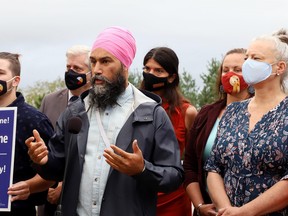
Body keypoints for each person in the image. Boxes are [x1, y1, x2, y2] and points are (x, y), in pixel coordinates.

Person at [25, 26, 184, 216]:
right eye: (93, 61)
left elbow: (174, 176)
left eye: (105, 61)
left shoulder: (152, 114)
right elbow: (56, 170)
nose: (97, 69)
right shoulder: (75, 111)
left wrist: (142, 169)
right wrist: (42, 160)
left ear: (125, 65)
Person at [204, 29, 288, 215]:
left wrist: (245, 212)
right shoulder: (233, 111)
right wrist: (227, 210)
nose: (248, 63)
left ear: (279, 67)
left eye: (256, 59)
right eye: (247, 58)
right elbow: (213, 168)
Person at [183, 48, 254, 216]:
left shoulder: (266, 114)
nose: (230, 74)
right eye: (225, 70)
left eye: (238, 70)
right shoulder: (206, 114)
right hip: (210, 209)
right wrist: (199, 205)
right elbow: (190, 164)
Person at [140, 46, 197, 216]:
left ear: (172, 77)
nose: (151, 74)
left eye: (158, 71)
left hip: (173, 197)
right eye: (147, 69)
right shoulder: (131, 106)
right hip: (137, 193)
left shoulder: (187, 112)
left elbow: (192, 160)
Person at [38, 45, 91, 216]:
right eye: (68, 67)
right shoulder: (50, 100)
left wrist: (62, 185)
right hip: (46, 197)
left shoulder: (98, 104)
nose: (71, 72)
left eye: (77, 68)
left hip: (80, 197)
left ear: (90, 73)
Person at [0, 52, 54, 216]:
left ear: (15, 81)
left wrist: (29, 186)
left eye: (0, 73)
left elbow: (52, 172)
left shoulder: (34, 120)